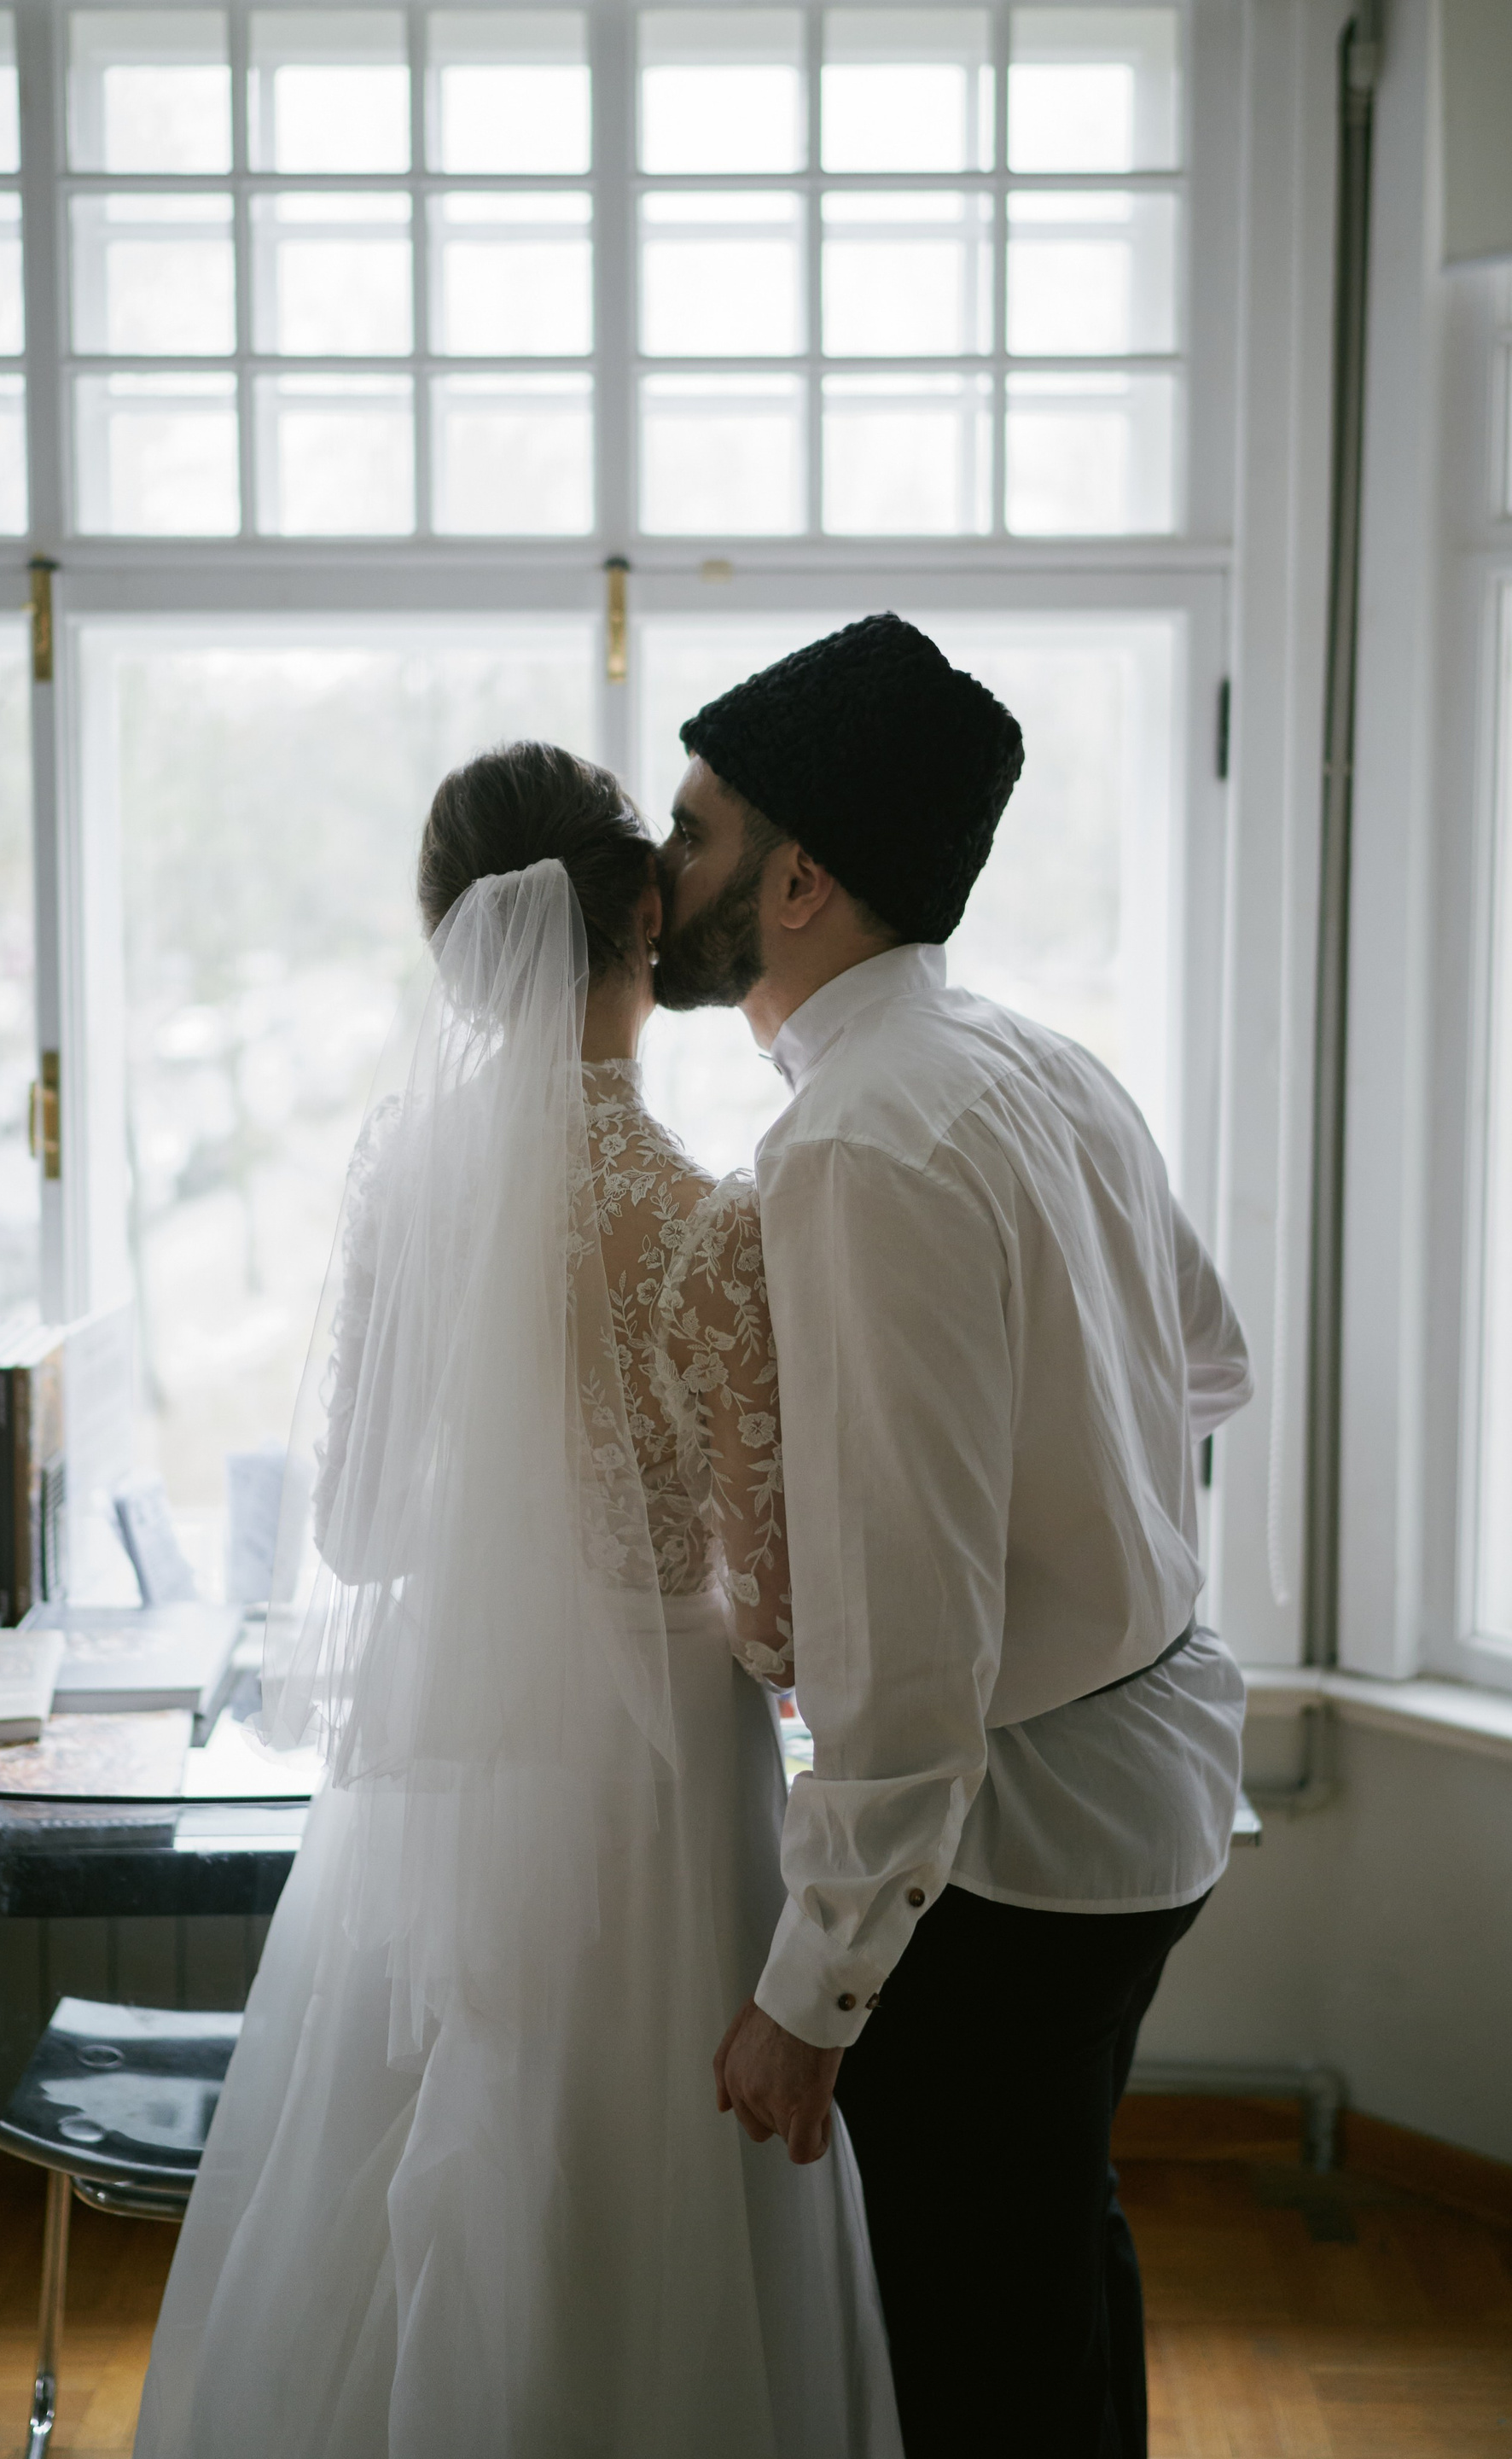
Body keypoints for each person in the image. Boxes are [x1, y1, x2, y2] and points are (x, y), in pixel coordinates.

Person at [131, 744, 900, 2459]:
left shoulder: (406, 1177)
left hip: (461, 1758)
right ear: (645, 917)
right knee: (643, 2172)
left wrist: (508, 1535)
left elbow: (353, 1534)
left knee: (441, 2134)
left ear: (458, 947)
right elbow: (778, 1622)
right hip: (664, 1781)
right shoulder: (710, 1228)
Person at [657, 613, 1253, 2459]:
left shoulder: (854, 1142)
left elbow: (907, 1645)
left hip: (1018, 1850)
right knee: (1054, 2255)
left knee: (973, 2341)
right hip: (1155, 1782)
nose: (660, 873)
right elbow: (1212, 1364)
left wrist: (811, 1988)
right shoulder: (1042, 1059)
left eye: (694, 833)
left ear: (803, 881)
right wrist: (1085, 1495)